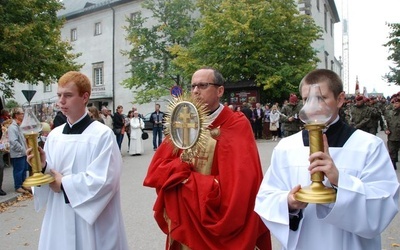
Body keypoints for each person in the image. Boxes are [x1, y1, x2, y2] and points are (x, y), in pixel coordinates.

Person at [255, 69, 399, 250]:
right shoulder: (286, 147)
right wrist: (289, 203)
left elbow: (383, 203)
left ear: (340, 99)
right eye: (306, 99)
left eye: (321, 98)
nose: (313, 106)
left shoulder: (368, 146)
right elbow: (266, 197)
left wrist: (340, 181)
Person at [143, 67, 271, 249]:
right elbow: (156, 171)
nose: (195, 91)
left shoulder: (236, 124)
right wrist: (179, 169)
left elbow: (244, 182)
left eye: (202, 85)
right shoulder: (183, 123)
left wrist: (190, 182)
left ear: (220, 91)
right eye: (193, 86)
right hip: (187, 216)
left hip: (219, 213)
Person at [26, 71, 128, 250]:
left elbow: (105, 181)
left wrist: (64, 184)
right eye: (59, 95)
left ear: (85, 97)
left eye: (68, 95)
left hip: (92, 223)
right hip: (59, 216)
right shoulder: (55, 135)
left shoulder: (102, 135)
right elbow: (52, 173)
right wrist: (42, 167)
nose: (61, 102)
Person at [8, 107, 30, 194]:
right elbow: (13, 141)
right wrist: (22, 149)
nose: (23, 115)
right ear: (16, 115)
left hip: (23, 152)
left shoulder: (19, 126)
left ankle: (24, 184)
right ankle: (18, 186)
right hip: (18, 153)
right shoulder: (12, 127)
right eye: (21, 114)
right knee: (19, 170)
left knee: (24, 169)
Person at [384, 95, 400, 170]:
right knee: (392, 151)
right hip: (392, 135)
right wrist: (386, 129)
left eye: (397, 103)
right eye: (394, 103)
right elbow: (385, 122)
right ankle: (393, 164)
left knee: (396, 150)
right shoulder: (390, 113)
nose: (395, 104)